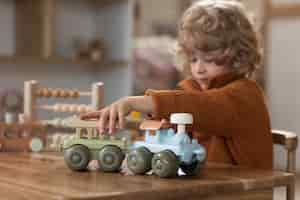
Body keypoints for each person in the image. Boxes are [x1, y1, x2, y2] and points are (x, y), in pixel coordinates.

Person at [81, 0, 273, 169]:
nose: (199, 69)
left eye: (209, 59)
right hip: (203, 186)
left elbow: (203, 106)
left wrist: (137, 102)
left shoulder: (246, 95)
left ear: (238, 56)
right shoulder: (191, 89)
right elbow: (171, 136)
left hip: (244, 192)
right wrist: (129, 155)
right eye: (193, 59)